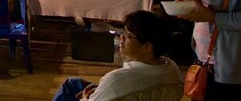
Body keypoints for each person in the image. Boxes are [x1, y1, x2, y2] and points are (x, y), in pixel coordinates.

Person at [53, 10, 182, 101]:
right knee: (73, 83)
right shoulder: (172, 68)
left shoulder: (116, 80)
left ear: (147, 47)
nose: (121, 37)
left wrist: (86, 98)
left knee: (69, 89)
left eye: (128, 35)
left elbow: (120, 85)